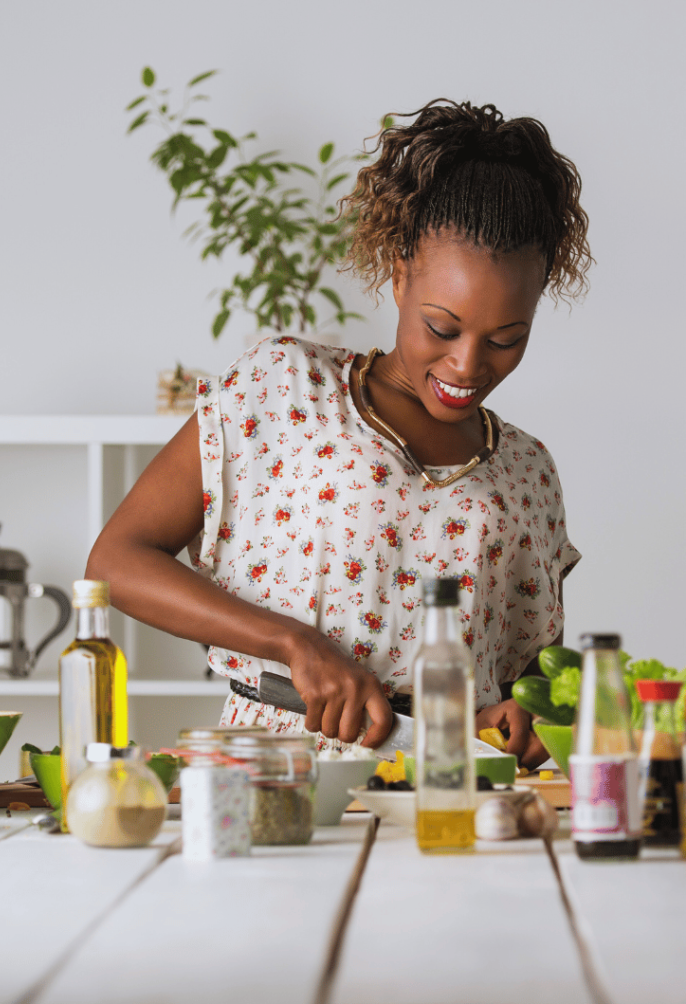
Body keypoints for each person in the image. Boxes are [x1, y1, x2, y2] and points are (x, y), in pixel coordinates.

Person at [86, 99, 591, 769]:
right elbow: (116, 562)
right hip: (278, 777)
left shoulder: (529, 471)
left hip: (450, 784)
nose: (468, 365)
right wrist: (297, 644)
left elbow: (525, 678)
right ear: (400, 271)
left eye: (506, 339)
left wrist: (519, 717)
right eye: (443, 328)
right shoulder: (281, 387)